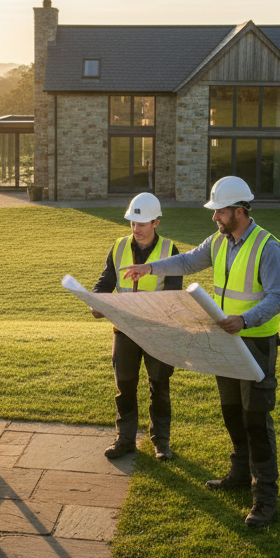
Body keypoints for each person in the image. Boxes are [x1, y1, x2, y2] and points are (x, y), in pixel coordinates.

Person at [119, 176, 280, 527]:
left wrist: (245, 320)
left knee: (256, 420)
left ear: (239, 211)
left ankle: (265, 499)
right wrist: (149, 268)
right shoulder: (220, 241)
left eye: (220, 212)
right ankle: (239, 476)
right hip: (226, 340)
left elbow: (277, 297)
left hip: (255, 343)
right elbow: (188, 261)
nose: (215, 218)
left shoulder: (267, 246)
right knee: (231, 412)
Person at [92, 192, 182, 461]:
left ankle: (161, 443)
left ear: (156, 222)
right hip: (125, 332)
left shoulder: (170, 251)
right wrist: (96, 301)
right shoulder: (118, 247)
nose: (136, 229)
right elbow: (105, 282)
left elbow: (174, 296)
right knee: (125, 387)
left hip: (158, 333)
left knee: (160, 387)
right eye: (132, 223)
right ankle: (125, 440)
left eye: (141, 224)